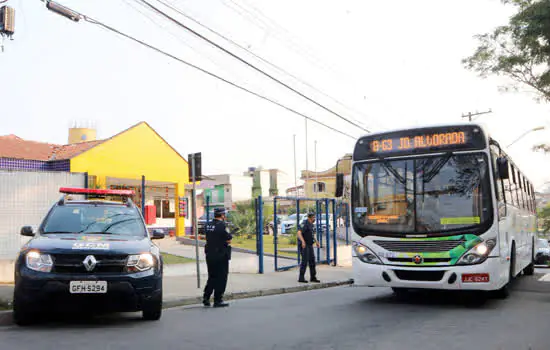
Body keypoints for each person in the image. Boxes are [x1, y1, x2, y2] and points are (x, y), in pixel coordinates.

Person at [202, 207, 232, 307]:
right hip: (221, 254)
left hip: (209, 254)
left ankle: (206, 297)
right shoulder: (222, 225)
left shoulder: (208, 225)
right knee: (221, 277)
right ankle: (218, 300)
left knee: (212, 276)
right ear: (222, 215)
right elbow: (228, 240)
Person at [297, 212, 321, 283]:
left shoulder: (311, 224)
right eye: (313, 217)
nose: (314, 219)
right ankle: (301, 278)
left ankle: (313, 277)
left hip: (310, 245)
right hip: (304, 245)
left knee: (312, 261)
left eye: (314, 217)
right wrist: (303, 242)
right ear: (309, 218)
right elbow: (299, 233)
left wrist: (316, 241)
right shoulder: (304, 223)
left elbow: (312, 234)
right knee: (304, 261)